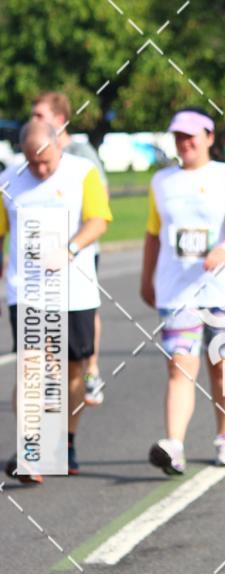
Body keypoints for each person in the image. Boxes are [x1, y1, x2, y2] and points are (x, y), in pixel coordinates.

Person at [141, 107, 225, 474]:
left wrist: (224, 248)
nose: (184, 143)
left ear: (209, 137)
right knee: (180, 367)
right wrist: (147, 279)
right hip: (177, 293)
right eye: (178, 136)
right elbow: (153, 233)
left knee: (222, 367)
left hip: (221, 290)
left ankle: (224, 436)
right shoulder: (161, 181)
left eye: (191, 136)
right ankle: (173, 445)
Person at [0, 121, 112, 481]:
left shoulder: (83, 173)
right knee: (32, 367)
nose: (41, 170)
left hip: (74, 290)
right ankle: (33, 448)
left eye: (47, 161)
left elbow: (98, 220)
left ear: (58, 147)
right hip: (27, 290)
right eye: (34, 163)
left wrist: (70, 249)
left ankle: (65, 442)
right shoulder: (10, 180)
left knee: (72, 370)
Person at [31, 91, 108, 406]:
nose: (33, 121)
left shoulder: (80, 153)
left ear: (59, 120)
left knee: (87, 308)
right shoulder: (34, 154)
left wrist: (74, 244)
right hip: (45, 258)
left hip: (80, 250)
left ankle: (90, 368)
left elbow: (99, 199)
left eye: (40, 116)